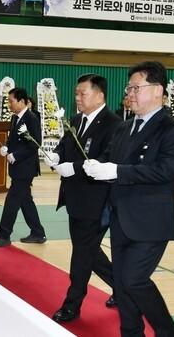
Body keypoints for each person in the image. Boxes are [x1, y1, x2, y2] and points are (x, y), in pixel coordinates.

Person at [84, 61, 174, 337]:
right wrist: (95, 165)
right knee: (122, 284)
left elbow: (167, 170)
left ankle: (168, 331)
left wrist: (116, 170)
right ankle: (131, 331)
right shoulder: (125, 128)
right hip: (121, 216)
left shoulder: (173, 130)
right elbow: (112, 159)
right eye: (129, 88)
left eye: (136, 88)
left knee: (134, 280)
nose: (131, 94)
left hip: (150, 220)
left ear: (158, 90)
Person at [44, 74, 121, 323]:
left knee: (81, 255)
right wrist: (54, 156)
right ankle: (122, 288)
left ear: (99, 95)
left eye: (82, 93)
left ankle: (72, 305)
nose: (77, 98)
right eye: (76, 93)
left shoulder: (113, 124)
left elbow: (106, 157)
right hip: (75, 198)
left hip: (96, 202)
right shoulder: (76, 120)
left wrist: (73, 167)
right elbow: (66, 145)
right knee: (88, 251)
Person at [0, 87, 46, 247]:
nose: (9, 104)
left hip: (26, 167)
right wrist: (7, 147)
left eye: (11, 101)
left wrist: (16, 155)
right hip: (17, 168)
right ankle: (38, 232)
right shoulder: (15, 118)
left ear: (22, 101)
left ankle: (4, 235)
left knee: (12, 200)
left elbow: (35, 143)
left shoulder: (31, 118)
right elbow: (14, 139)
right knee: (25, 201)